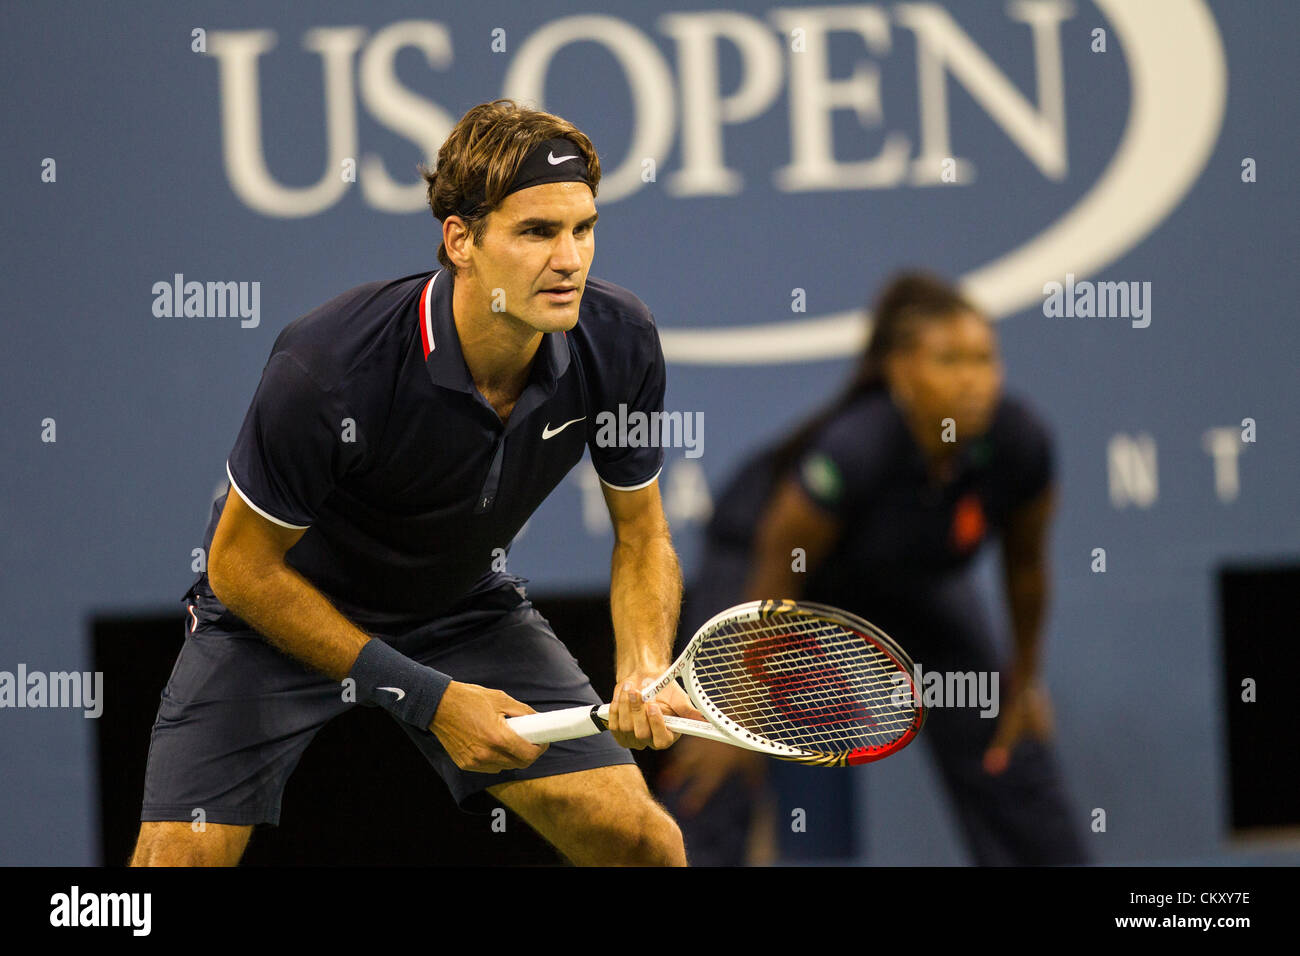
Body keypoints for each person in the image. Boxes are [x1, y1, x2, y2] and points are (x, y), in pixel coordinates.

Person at [130, 99, 699, 867]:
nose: (569, 259)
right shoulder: (330, 367)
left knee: (643, 842)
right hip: (276, 616)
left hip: (459, 608)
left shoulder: (619, 340)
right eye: (537, 232)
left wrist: (640, 668)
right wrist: (429, 699)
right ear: (460, 240)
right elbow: (238, 568)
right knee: (178, 861)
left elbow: (642, 535)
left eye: (583, 228)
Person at [657, 272, 1091, 866]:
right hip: (774, 576)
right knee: (716, 747)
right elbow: (783, 558)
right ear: (903, 372)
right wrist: (739, 698)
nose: (974, 379)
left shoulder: (1021, 442)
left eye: (985, 359)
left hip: (905, 585)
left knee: (1003, 725)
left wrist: (1026, 677)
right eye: (949, 360)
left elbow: (1026, 567)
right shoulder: (856, 446)